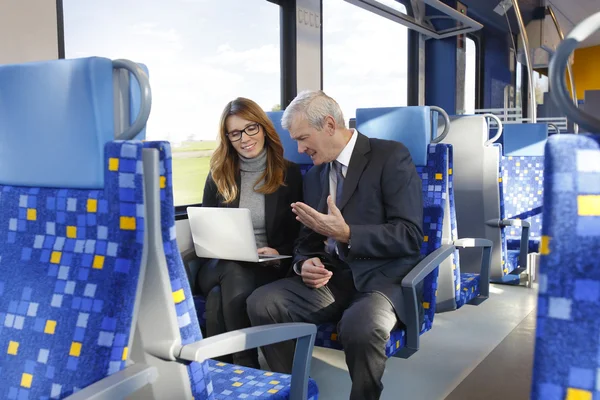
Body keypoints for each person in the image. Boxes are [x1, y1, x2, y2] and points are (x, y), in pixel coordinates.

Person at [246, 90, 424, 399]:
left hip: (380, 280)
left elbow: (409, 235)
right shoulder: (316, 176)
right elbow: (307, 239)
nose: (299, 149)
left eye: (303, 138)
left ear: (329, 125)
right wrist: (304, 263)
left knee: (360, 328)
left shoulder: (390, 156)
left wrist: (347, 234)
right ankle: (295, 391)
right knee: (261, 303)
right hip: (332, 280)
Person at [196, 97, 303, 368]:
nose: (244, 138)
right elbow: (206, 226)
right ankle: (247, 363)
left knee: (218, 299)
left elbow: (301, 232)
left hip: (268, 265)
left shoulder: (290, 175)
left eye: (250, 128)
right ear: (227, 138)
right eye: (235, 133)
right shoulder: (219, 175)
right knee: (233, 269)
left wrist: (279, 253)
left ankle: (220, 369)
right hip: (218, 266)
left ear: (264, 128)